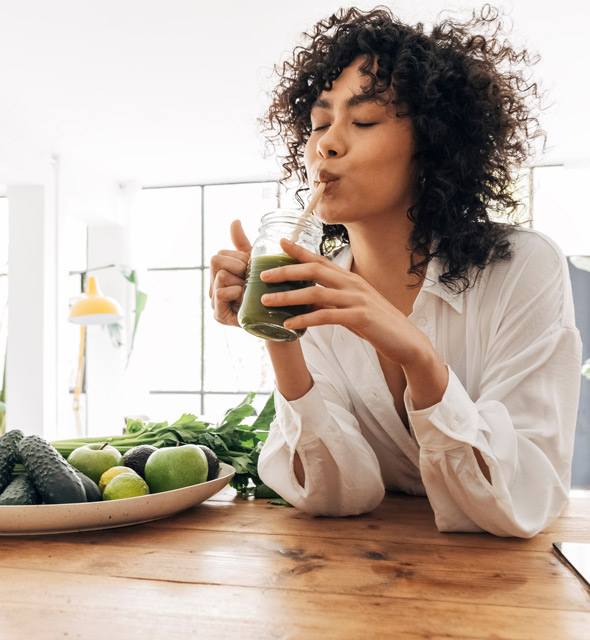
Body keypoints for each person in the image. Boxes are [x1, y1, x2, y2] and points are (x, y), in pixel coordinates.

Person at [209, 5, 582, 536]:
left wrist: (416, 355)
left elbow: (522, 501)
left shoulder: (522, 268)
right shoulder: (312, 286)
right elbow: (334, 496)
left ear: (431, 144)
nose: (326, 143)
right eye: (319, 123)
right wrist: (278, 329)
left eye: (362, 120)